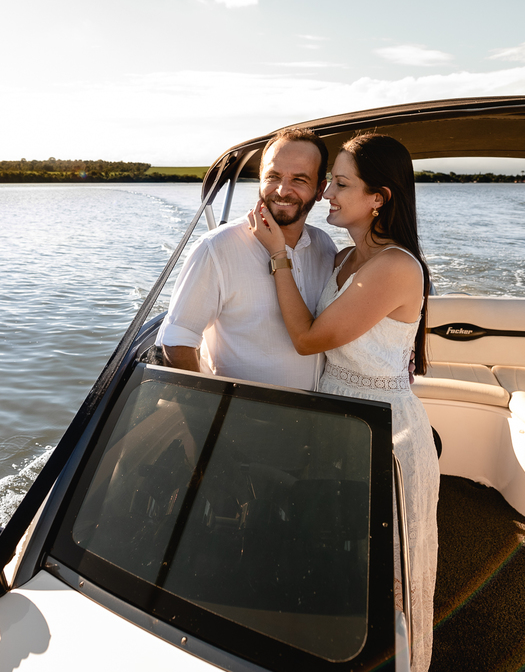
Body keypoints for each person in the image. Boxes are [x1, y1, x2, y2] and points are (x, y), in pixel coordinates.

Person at [247, 132, 440, 670]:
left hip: (384, 438)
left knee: (383, 579)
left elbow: (309, 339)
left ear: (379, 198)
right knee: (338, 570)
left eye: (341, 183)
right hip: (336, 426)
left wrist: (279, 256)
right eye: (330, 180)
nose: (326, 192)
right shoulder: (344, 256)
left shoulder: (396, 268)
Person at [157, 127, 337, 389]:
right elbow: (177, 340)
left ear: (320, 189)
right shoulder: (216, 248)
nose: (282, 190)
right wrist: (200, 407)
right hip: (239, 417)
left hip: (316, 415)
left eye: (299, 179)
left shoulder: (325, 246)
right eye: (273, 176)